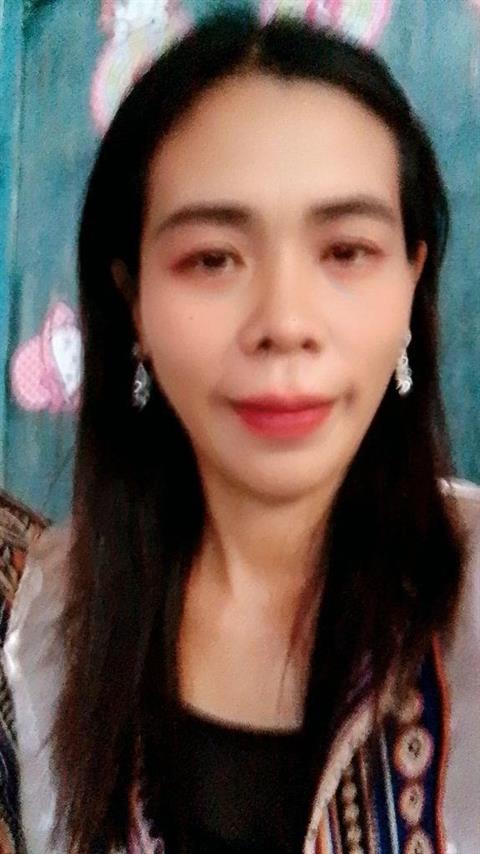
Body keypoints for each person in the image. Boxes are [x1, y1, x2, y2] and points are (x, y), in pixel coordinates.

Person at [0, 8, 478, 854]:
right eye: (212, 259)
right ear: (132, 301)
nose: (284, 323)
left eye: (346, 252)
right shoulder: (49, 626)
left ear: (413, 280)